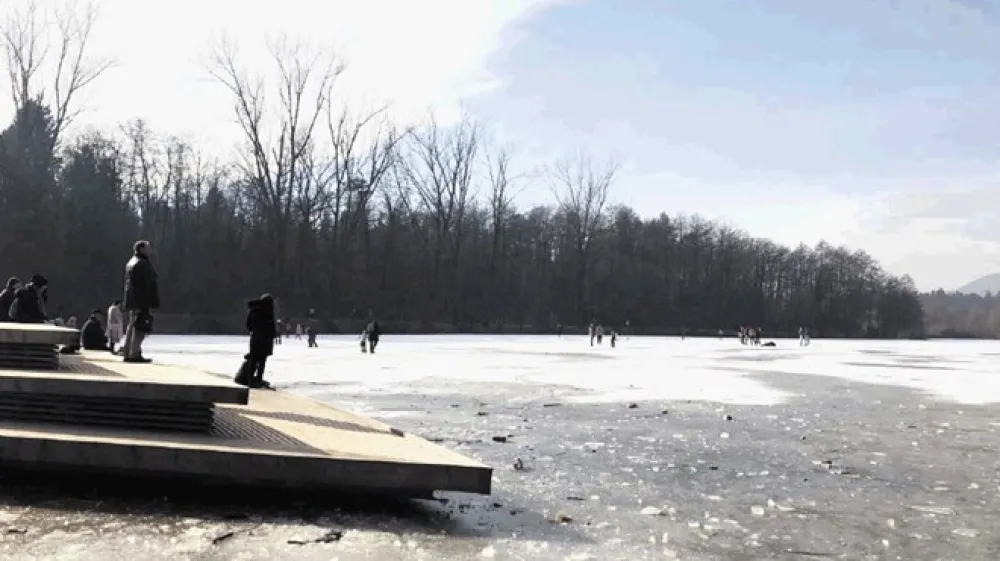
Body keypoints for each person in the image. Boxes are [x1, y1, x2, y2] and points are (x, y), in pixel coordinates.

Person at [122, 240, 160, 364]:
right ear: (142, 249)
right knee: (140, 328)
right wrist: (150, 301)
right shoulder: (142, 264)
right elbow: (145, 285)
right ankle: (134, 353)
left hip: (133, 301)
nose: (150, 250)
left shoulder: (131, 263)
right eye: (148, 248)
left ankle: (128, 352)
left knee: (131, 326)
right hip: (141, 301)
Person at [245, 293, 277, 388]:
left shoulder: (253, 309)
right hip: (265, 338)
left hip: (255, 337)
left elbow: (248, 324)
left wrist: (254, 331)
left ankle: (250, 379)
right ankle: (258, 379)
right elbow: (270, 326)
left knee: (254, 359)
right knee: (262, 360)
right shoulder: (268, 310)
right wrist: (272, 335)